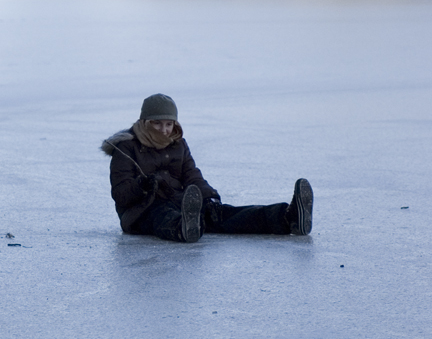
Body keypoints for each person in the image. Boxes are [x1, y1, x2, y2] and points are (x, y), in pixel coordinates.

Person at [101, 93, 313, 243]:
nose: (164, 130)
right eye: (157, 124)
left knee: (224, 214)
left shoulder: (178, 144)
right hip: (143, 210)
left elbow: (191, 174)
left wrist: (208, 196)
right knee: (162, 214)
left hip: (181, 202)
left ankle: (288, 217)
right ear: (145, 121)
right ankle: (185, 228)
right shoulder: (126, 148)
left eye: (169, 124)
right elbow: (121, 194)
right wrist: (143, 185)